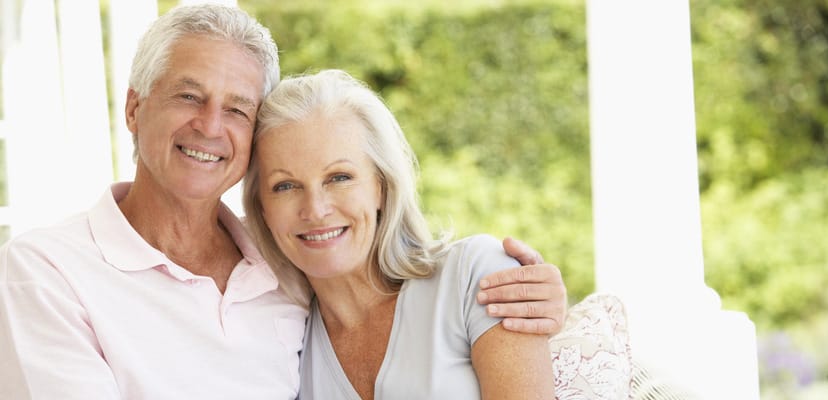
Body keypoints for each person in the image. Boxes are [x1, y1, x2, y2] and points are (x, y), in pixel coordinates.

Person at [0, 4, 565, 400]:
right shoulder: (46, 271)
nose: (210, 126)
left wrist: (545, 305)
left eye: (237, 109)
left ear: (381, 185)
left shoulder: (281, 277)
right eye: (188, 96)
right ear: (133, 109)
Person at [243, 69, 556, 399]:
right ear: (262, 209)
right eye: (285, 186)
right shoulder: (283, 349)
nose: (316, 209)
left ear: (380, 186)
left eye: (339, 177)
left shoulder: (475, 278)